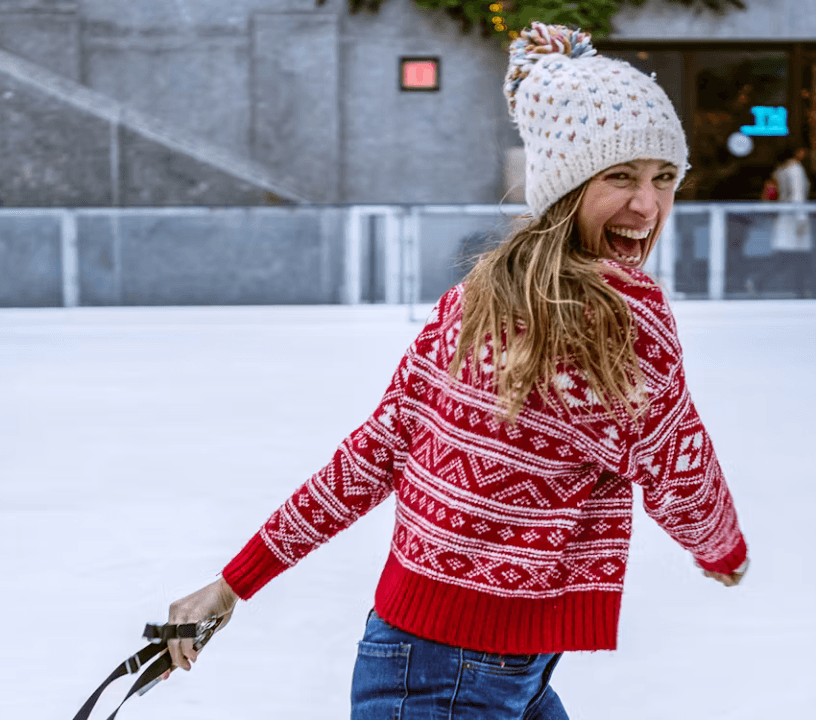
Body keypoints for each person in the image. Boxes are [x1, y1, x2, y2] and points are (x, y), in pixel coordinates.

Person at [162, 23, 749, 718]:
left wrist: (234, 582)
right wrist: (723, 551)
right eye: (619, 176)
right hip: (453, 676)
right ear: (565, 185)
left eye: (664, 178)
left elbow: (374, 452)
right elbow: (680, 464)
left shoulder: (474, 299)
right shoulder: (620, 318)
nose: (647, 206)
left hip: (450, 658)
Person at [766, 145, 813, 296]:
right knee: (797, 257)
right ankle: (800, 290)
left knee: (789, 257)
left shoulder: (781, 170)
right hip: (794, 218)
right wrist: (801, 219)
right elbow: (797, 195)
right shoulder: (795, 169)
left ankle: (799, 289)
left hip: (785, 216)